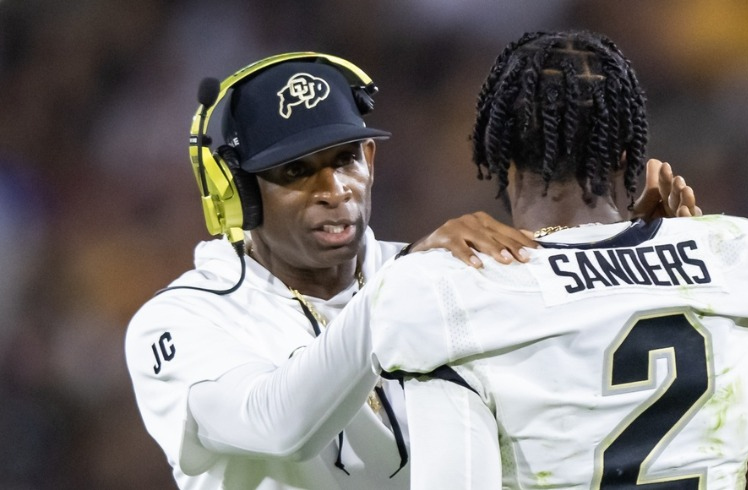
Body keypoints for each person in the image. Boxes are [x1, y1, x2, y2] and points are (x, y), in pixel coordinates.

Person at [124, 52, 701, 490]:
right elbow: (278, 423)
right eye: (296, 171)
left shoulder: (432, 269)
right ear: (236, 191)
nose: (334, 190)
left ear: (369, 160)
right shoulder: (184, 318)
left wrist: (625, 263)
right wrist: (405, 286)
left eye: (346, 158)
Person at [367, 30, 748, 489]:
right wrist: (684, 263)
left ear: (497, 152)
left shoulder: (451, 287)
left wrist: (410, 260)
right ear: (627, 154)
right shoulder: (738, 255)